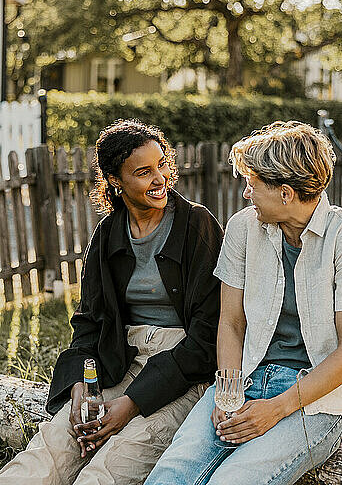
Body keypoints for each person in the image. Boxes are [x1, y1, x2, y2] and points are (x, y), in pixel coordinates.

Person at [144, 120, 342, 485]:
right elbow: (231, 323)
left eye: (252, 185)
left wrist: (277, 408)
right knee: (171, 474)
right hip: (245, 379)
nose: (246, 194)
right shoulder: (244, 228)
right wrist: (227, 393)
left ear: (286, 193)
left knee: (234, 480)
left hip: (314, 403)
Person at [0, 119, 223, 485]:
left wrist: (131, 403)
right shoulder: (107, 235)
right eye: (143, 172)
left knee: (111, 467)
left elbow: (207, 339)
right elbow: (88, 322)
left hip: (182, 372)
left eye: (162, 165)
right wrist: (77, 384)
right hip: (116, 360)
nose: (160, 178)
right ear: (116, 181)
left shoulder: (196, 225)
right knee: (49, 453)